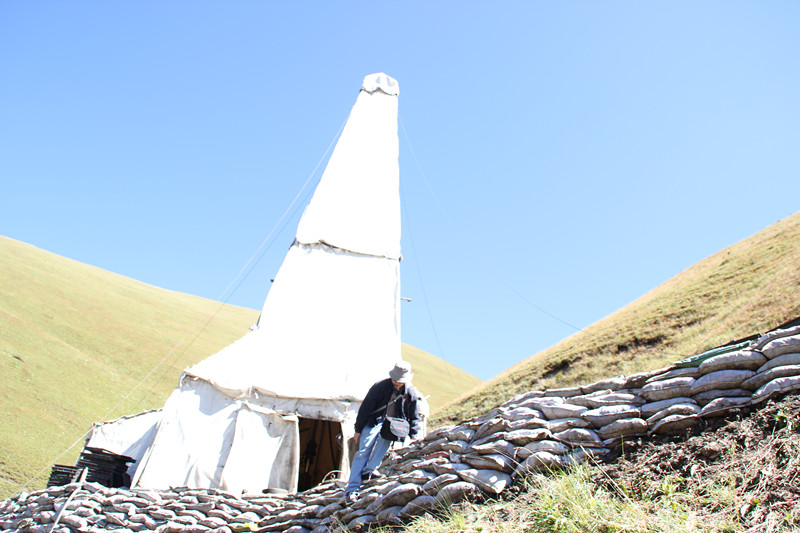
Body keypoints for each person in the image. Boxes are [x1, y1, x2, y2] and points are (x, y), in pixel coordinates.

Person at [344, 361, 420, 502]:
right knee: (363, 451)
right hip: (374, 421)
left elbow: (413, 416)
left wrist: (414, 435)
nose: (397, 383)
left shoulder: (410, 393)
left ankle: (369, 472)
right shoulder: (380, 387)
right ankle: (352, 489)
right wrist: (358, 429)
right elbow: (365, 408)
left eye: (400, 381)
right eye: (395, 380)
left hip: (393, 425)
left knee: (383, 446)